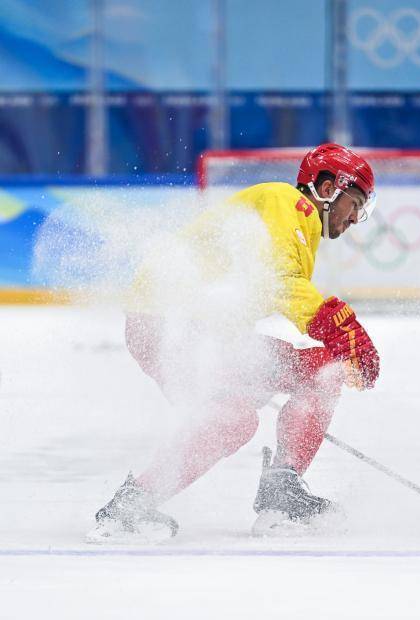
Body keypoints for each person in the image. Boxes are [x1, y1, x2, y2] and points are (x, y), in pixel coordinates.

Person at [88, 144, 381, 542]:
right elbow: (281, 281)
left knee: (292, 387)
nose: (355, 219)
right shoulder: (290, 203)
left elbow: (258, 291)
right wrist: (339, 325)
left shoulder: (295, 222)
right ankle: (138, 505)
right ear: (328, 187)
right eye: (355, 203)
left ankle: (275, 490)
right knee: (267, 400)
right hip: (173, 326)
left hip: (193, 330)